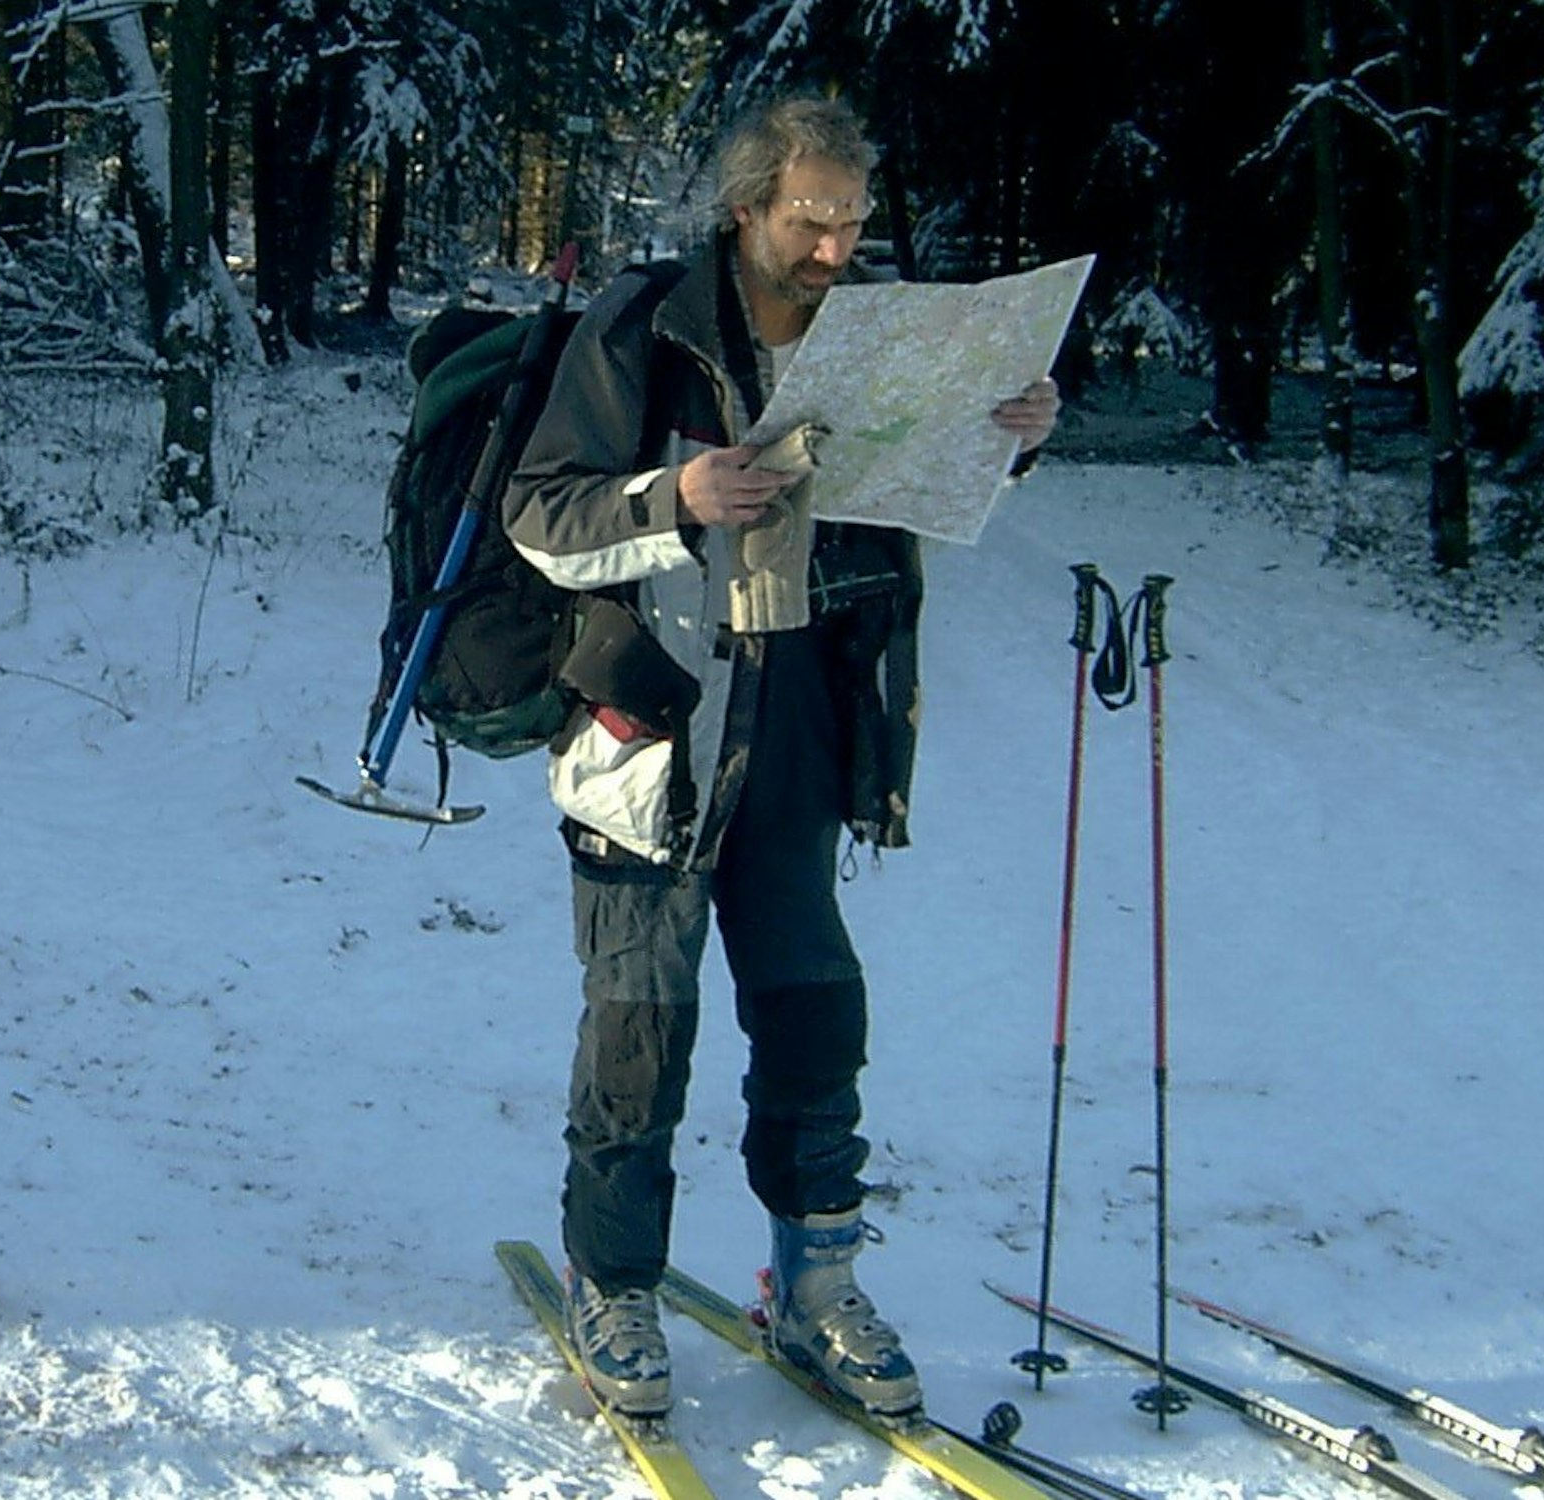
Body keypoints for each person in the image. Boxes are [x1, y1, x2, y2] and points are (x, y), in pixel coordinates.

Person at [502, 93, 1060, 1421]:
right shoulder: (646, 327)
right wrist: (675, 497)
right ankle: (614, 1284)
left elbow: (913, 492)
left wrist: (1006, 440)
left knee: (815, 1018)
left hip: (808, 723)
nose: (833, 250)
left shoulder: (881, 335)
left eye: (851, 224)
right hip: (653, 733)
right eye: (811, 222)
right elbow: (539, 512)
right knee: (640, 1026)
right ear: (746, 205)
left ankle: (817, 1282)